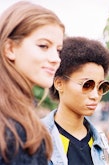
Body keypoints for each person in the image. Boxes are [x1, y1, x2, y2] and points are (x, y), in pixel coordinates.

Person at [0, 1, 64, 164]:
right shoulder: (14, 130)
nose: (55, 59)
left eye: (58, 50)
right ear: (10, 49)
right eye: (43, 46)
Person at [42, 36, 109, 165]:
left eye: (101, 87)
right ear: (59, 83)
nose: (95, 95)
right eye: (87, 85)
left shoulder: (101, 142)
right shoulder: (35, 139)